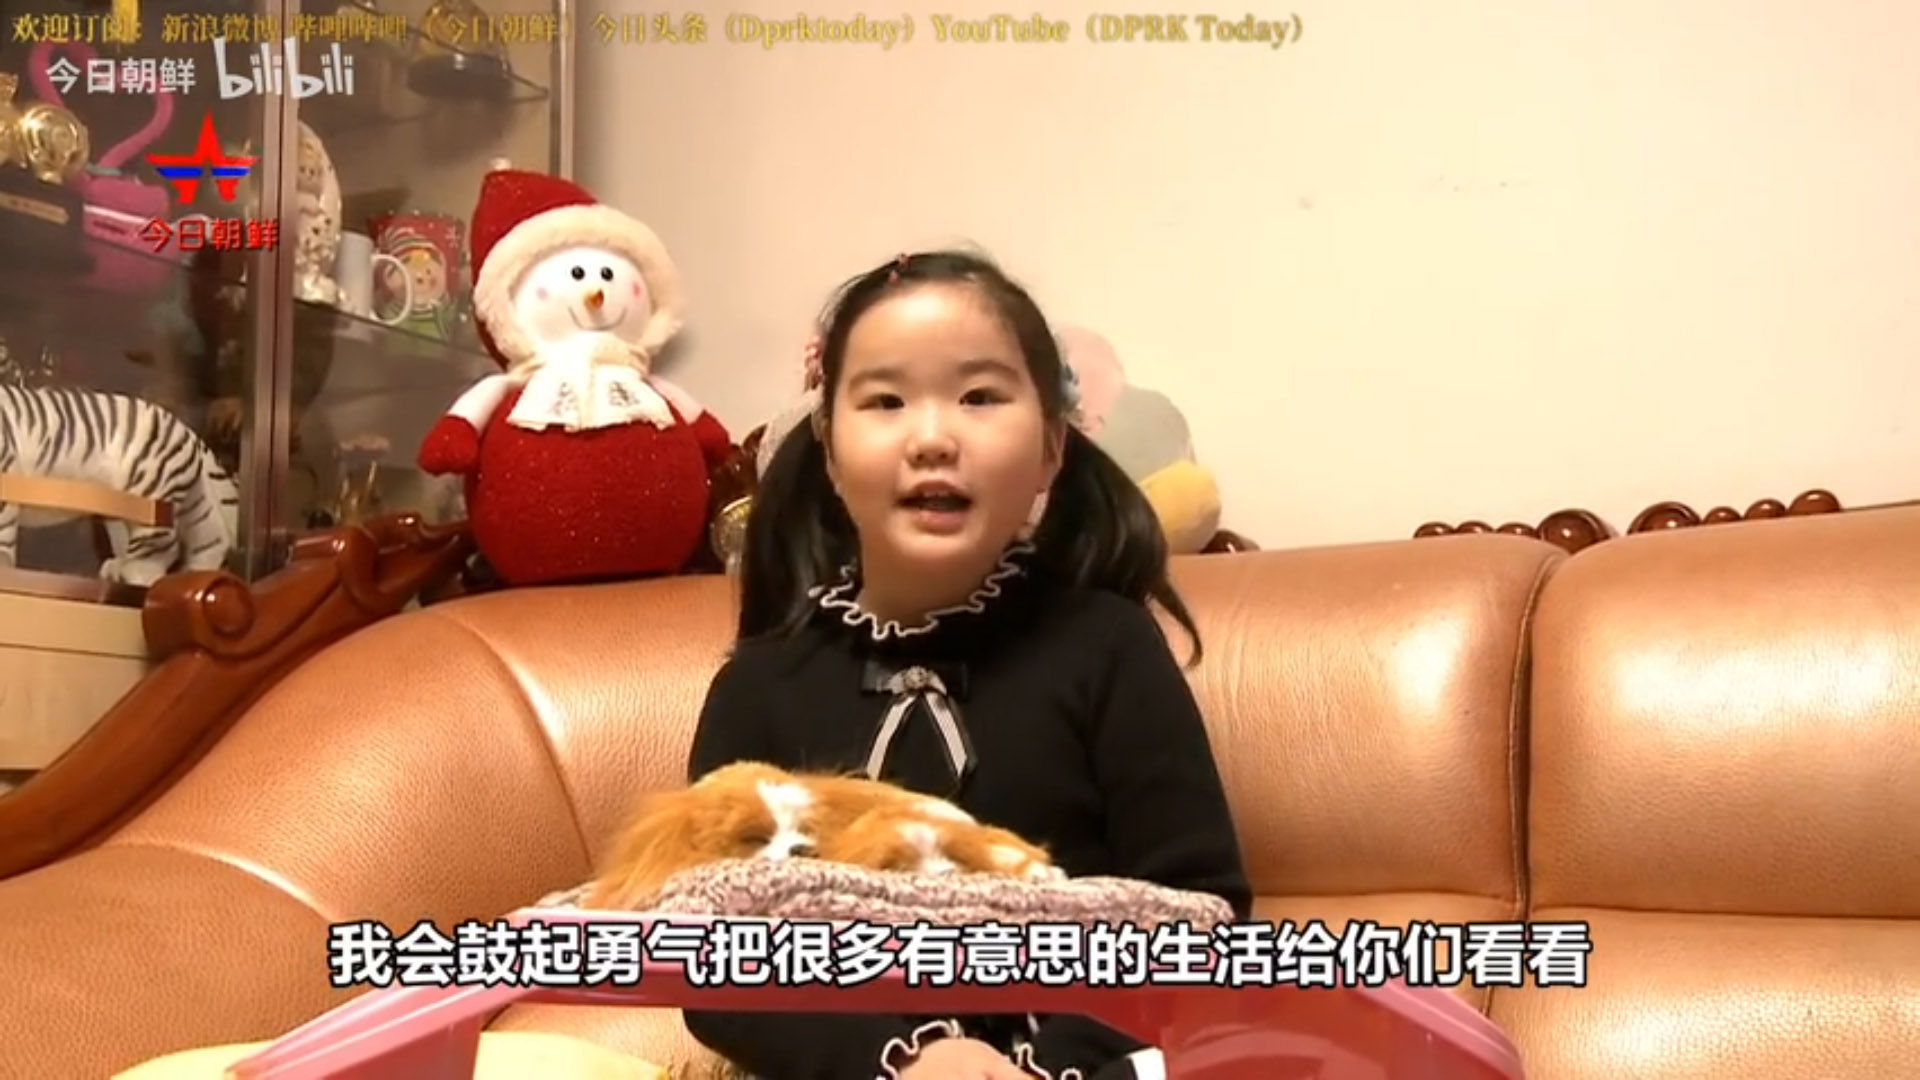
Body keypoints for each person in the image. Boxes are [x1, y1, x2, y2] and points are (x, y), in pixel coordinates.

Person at [682, 250, 1251, 1080]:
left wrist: (1046, 1068)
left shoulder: (1111, 647)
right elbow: (713, 958)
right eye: (885, 401)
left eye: (980, 396)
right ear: (830, 452)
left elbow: (1201, 914)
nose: (933, 439)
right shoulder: (758, 687)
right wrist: (900, 1061)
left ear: (1052, 447)